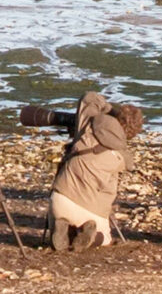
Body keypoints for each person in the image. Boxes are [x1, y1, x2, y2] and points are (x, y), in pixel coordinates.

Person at [49, 92, 143, 251]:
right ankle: (87, 235)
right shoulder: (122, 158)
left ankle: (62, 227)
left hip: (61, 199)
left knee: (58, 215)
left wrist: (111, 111)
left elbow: (90, 97)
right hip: (90, 209)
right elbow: (108, 195)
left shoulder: (89, 124)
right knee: (105, 238)